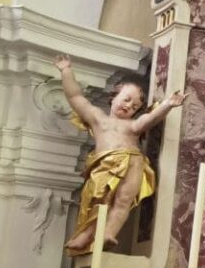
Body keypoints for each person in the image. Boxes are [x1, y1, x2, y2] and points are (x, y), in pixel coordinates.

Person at [55, 55, 185, 256]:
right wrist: (66, 70)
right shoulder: (98, 119)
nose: (129, 106)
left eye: (134, 106)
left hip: (133, 161)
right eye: (126, 99)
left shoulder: (132, 125)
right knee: (100, 200)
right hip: (105, 165)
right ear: (113, 96)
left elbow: (150, 119)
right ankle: (86, 233)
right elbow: (75, 97)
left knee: (124, 201)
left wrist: (168, 104)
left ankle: (109, 232)